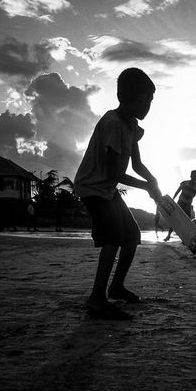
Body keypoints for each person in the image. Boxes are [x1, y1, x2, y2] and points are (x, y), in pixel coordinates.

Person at [74, 67, 162, 320]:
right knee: (113, 235)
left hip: (107, 189)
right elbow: (114, 173)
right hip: (92, 187)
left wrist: (153, 180)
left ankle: (116, 287)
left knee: (132, 234)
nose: (148, 106)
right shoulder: (113, 123)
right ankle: (96, 298)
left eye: (150, 101)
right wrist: (146, 187)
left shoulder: (131, 125)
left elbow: (136, 164)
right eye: (146, 100)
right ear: (130, 98)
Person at [164, 170, 196, 242]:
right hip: (180, 203)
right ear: (191, 176)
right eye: (193, 175)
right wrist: (172, 199)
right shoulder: (184, 183)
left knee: (187, 223)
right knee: (174, 219)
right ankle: (168, 236)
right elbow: (178, 191)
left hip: (188, 206)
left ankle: (185, 239)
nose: (194, 177)